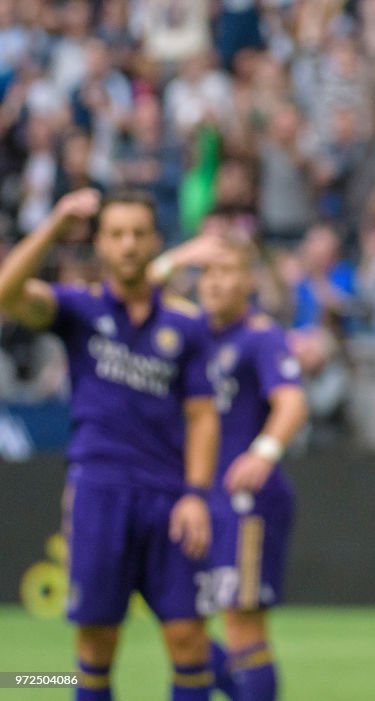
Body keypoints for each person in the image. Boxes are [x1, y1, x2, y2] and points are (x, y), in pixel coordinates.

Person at [0, 188, 220, 701]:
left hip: (168, 497)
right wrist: (56, 222)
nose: (128, 244)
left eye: (138, 233)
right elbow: (7, 294)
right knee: (97, 643)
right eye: (117, 234)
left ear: (155, 243)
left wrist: (196, 494)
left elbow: (204, 417)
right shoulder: (79, 308)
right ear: (99, 244)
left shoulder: (185, 324)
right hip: (99, 492)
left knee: (189, 638)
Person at [150, 230, 309, 701]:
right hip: (197, 499)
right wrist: (181, 256)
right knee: (180, 624)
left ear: (250, 281)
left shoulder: (259, 337)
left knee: (241, 626)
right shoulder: (193, 331)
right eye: (207, 273)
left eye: (226, 271)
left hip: (245, 501)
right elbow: (133, 296)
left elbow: (291, 401)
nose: (214, 283)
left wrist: (264, 451)